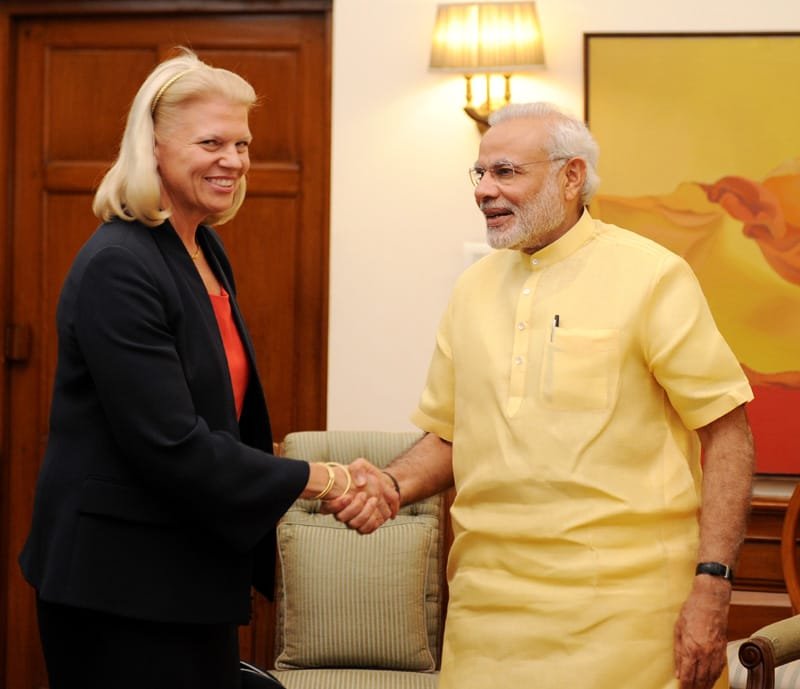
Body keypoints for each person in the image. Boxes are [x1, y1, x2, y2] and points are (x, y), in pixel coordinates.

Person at [330, 102, 755, 689]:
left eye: (505, 172)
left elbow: (727, 434)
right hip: (486, 615)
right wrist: (391, 485)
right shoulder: (473, 289)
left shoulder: (653, 276)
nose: (484, 190)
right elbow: (454, 434)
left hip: (626, 615)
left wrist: (713, 585)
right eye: (479, 174)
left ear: (571, 176)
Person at [18, 48, 393, 689]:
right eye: (212, 141)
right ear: (153, 147)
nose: (234, 160)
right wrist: (326, 477)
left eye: (243, 143)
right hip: (120, 587)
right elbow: (170, 444)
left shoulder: (202, 246)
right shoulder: (121, 263)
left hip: (188, 571)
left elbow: (220, 423)